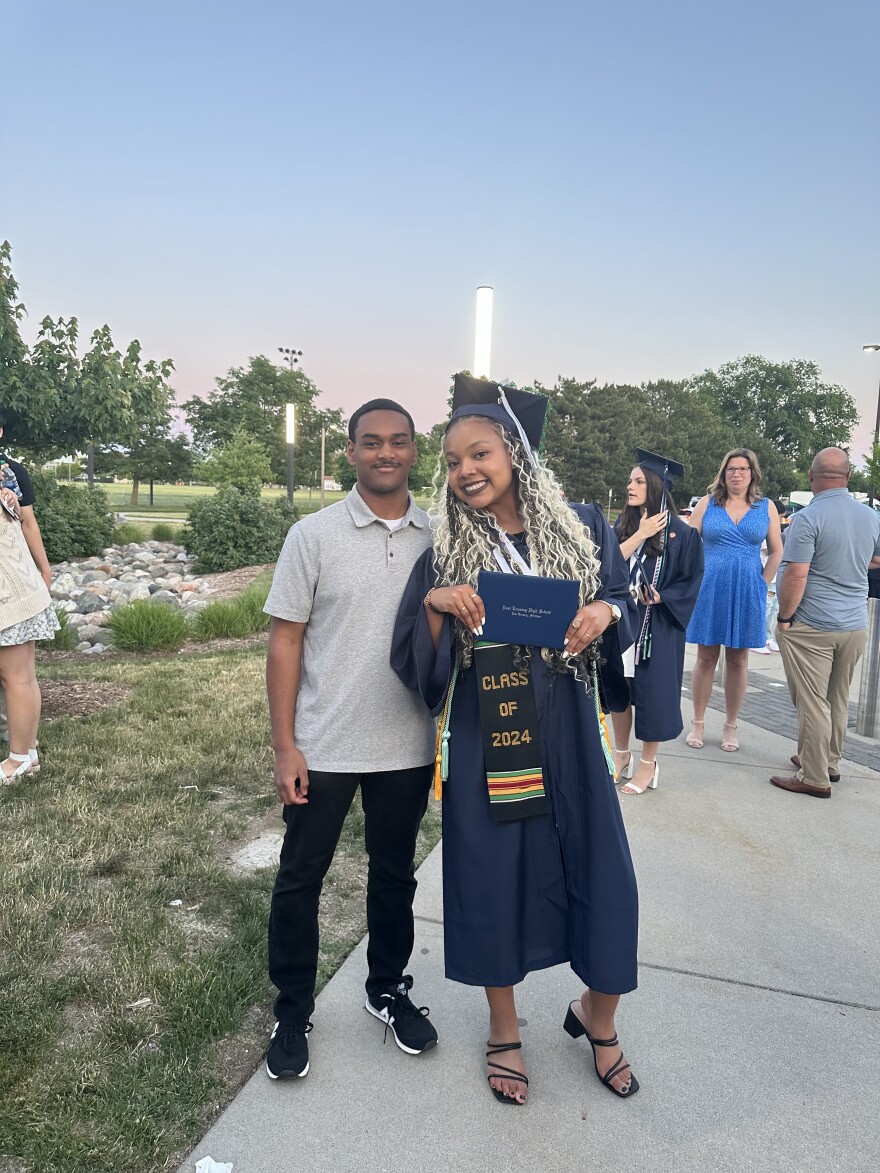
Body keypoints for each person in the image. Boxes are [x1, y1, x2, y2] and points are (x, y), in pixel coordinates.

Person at [392, 374, 639, 1106]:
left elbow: (624, 597)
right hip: (489, 726)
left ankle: (598, 1014)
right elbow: (415, 656)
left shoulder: (586, 525)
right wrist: (437, 605)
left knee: (604, 872)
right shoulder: (446, 552)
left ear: (516, 453)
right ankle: (504, 1026)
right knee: (495, 872)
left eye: (480, 452)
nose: (465, 470)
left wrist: (603, 609)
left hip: (568, 722)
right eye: (453, 460)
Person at [262, 398, 438, 1081]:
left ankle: (386, 988)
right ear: (351, 451)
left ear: (414, 451)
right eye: (372, 442)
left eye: (398, 441)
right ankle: (292, 1006)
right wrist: (285, 745)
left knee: (394, 876)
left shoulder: (441, 536)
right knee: (300, 878)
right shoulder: (313, 535)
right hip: (325, 745)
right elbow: (284, 641)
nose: (385, 453)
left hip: (407, 745)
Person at [771, 448, 880, 798]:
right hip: (854, 623)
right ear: (848, 477)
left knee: (812, 701)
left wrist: (785, 618)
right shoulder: (869, 516)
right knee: (837, 697)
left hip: (814, 624)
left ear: (810, 475)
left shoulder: (808, 517)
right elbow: (874, 558)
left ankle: (814, 776)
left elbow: (796, 575)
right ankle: (827, 761)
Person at [611, 451, 704, 794]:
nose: (629, 486)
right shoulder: (622, 528)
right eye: (630, 480)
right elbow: (607, 565)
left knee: (651, 695)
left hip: (657, 626)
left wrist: (663, 597)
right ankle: (622, 756)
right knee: (620, 692)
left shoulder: (683, 535)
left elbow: (692, 580)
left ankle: (648, 765)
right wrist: (641, 532)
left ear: (655, 487)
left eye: (637, 481)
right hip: (621, 624)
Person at [685, 449, 782, 752]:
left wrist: (760, 583)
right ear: (723, 473)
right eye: (731, 469)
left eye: (742, 469)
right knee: (706, 657)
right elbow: (687, 544)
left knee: (739, 660)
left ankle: (731, 725)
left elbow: (777, 550)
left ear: (752, 473)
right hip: (710, 587)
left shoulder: (766, 507)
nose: (736, 474)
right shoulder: (707, 504)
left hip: (747, 589)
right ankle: (698, 722)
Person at [0, 420, 57, 782]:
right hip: (16, 589)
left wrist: (45, 570)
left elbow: (28, 523)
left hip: (13, 593)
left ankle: (19, 757)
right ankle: (28, 753)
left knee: (17, 676)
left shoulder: (10, 473)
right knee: (21, 676)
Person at [753, 500, 790, 655]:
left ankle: (767, 637)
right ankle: (756, 638)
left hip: (775, 575)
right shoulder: (762, 525)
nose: (780, 520)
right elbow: (770, 549)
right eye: (779, 516)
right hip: (765, 573)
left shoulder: (776, 529)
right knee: (764, 608)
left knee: (774, 608)